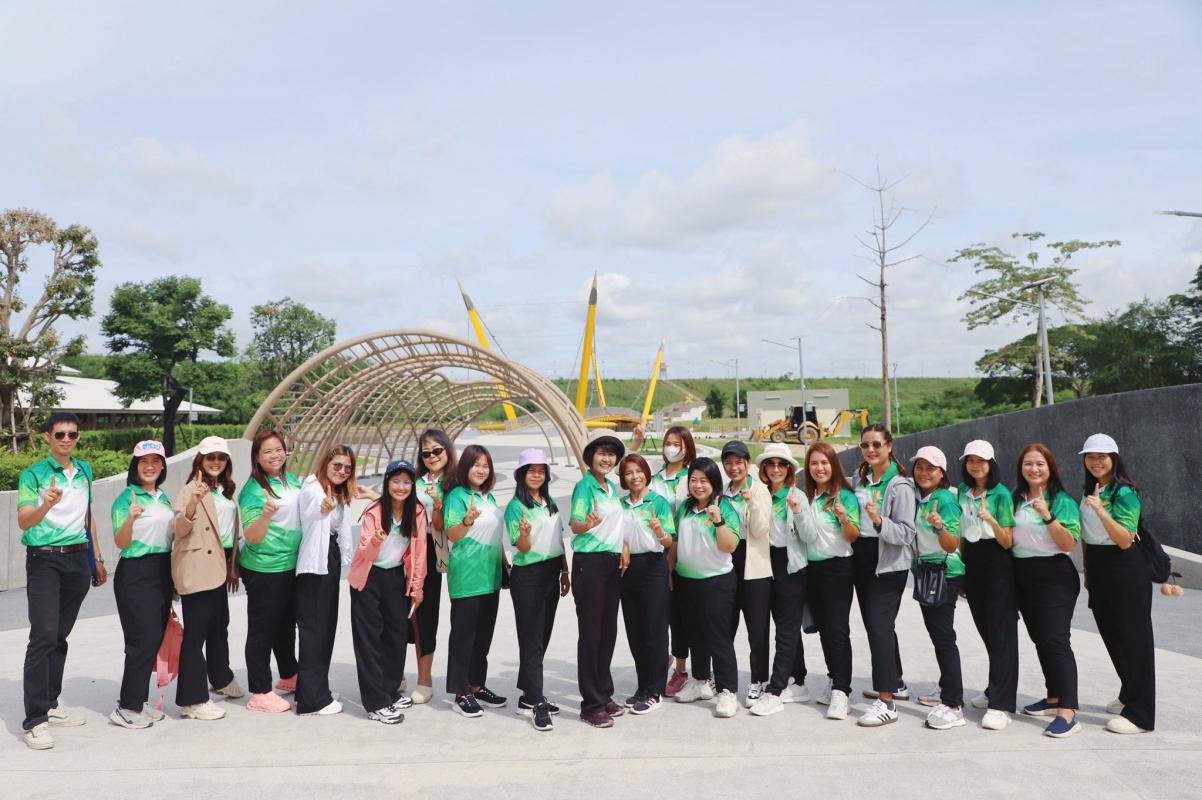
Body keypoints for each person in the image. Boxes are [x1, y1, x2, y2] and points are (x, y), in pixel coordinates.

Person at [17, 412, 107, 749]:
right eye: (60, 434)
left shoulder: (85, 470)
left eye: (72, 434)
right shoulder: (34, 475)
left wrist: (97, 558)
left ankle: (51, 704)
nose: (66, 439)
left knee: (59, 636)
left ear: (78, 437)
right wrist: (46, 504)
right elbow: (24, 521)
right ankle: (35, 720)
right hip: (44, 559)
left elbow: (87, 516)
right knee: (42, 637)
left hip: (77, 559)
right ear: (47, 437)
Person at [1079, 433, 1155, 734]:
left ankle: (1141, 714)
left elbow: (1125, 539)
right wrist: (1089, 574)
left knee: (1134, 639)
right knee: (1113, 635)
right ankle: (1129, 694)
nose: (1095, 461)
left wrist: (1101, 510)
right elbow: (1087, 537)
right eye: (1090, 456)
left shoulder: (1125, 492)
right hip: (1099, 567)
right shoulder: (1091, 489)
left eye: (1102, 456)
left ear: (1114, 458)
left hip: (1125, 567)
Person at [1011, 443, 1082, 738]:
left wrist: (1047, 516)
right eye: (1028, 463)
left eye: (1040, 464)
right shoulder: (1015, 497)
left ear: (1050, 467)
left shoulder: (1061, 500)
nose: (1034, 469)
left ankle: (1068, 711)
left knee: (1056, 640)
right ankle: (1053, 697)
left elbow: (1069, 544)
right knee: (1040, 639)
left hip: (1055, 575)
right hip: (1023, 574)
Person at [348, 460, 426, 724]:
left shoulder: (416, 512)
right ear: (387, 483)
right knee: (369, 641)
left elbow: (419, 553)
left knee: (396, 636)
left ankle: (390, 691)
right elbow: (366, 554)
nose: (401, 487)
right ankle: (375, 703)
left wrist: (417, 587)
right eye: (395, 481)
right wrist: (377, 539)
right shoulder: (374, 511)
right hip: (368, 579)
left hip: (395, 577)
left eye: (406, 482)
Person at [852, 424, 917, 727]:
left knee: (879, 628)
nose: (871, 450)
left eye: (877, 444)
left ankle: (887, 700)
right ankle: (897, 680)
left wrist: (879, 520)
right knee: (878, 626)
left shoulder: (900, 486)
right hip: (863, 560)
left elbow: (906, 533)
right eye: (865, 445)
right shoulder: (859, 479)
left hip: (888, 565)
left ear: (889, 446)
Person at [171, 437, 240, 723]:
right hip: (198, 566)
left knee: (218, 626)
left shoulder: (225, 489)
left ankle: (221, 678)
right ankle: (192, 700)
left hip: (220, 565)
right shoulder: (191, 489)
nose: (216, 462)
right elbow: (178, 528)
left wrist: (232, 567)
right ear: (199, 460)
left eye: (221, 458)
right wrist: (193, 503)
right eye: (210, 457)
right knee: (196, 634)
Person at [109, 441, 175, 730]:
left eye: (156, 461)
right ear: (135, 466)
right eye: (143, 461)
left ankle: (139, 699)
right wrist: (130, 519)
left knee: (154, 639)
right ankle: (127, 707)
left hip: (162, 571)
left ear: (162, 466)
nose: (150, 466)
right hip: (135, 573)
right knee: (141, 640)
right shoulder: (126, 499)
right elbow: (121, 542)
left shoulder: (164, 498)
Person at [238, 430, 303, 713]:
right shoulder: (252, 491)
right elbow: (252, 537)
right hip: (264, 568)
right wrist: (266, 514)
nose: (275, 455)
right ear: (257, 456)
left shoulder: (292, 480)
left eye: (279, 449)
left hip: (290, 564)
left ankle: (289, 674)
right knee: (262, 630)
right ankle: (260, 691)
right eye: (267, 451)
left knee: (286, 625)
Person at [505, 448, 570, 731]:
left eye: (541, 470)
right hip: (528, 576)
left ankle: (528, 695)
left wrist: (565, 571)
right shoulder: (515, 507)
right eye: (531, 470)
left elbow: (558, 539)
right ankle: (535, 701)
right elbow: (522, 547)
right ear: (521, 474)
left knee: (541, 636)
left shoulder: (549, 502)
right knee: (531, 639)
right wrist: (524, 533)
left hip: (551, 572)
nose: (536, 474)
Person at [671, 457, 742, 718]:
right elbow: (676, 542)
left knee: (719, 638)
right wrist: (669, 571)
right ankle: (700, 681)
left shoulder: (725, 507)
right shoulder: (685, 507)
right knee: (695, 635)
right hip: (686, 580)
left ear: (714, 482)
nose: (698, 485)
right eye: (694, 480)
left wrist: (718, 521)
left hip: (717, 582)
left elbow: (729, 546)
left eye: (704, 480)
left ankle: (727, 691)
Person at [748, 443, 813, 717]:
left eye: (782, 464)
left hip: (790, 564)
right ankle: (798, 680)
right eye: (771, 464)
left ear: (789, 469)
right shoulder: (760, 493)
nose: (776, 469)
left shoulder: (797, 496)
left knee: (785, 628)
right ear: (764, 468)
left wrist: (797, 512)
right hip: (765, 562)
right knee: (784, 624)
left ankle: (775, 690)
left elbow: (809, 536)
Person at [956, 440, 1017, 730]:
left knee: (1001, 634)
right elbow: (962, 533)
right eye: (970, 460)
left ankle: (1001, 704)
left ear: (991, 464)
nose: (976, 465)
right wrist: (961, 570)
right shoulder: (963, 492)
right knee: (987, 632)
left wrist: (991, 519)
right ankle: (995, 689)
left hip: (997, 562)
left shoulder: (1001, 494)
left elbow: (1007, 541)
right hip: (973, 560)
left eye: (981, 460)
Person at [443, 444, 507, 718]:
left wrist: (505, 566)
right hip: (467, 576)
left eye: (485, 465)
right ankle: (461, 691)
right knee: (464, 636)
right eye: (476, 464)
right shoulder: (457, 496)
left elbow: (496, 535)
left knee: (483, 635)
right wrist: (467, 521)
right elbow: (452, 534)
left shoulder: (488, 498)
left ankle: (476, 685)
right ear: (465, 467)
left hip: (490, 575)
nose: (481, 470)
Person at [569, 431, 628, 728]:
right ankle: (591, 705)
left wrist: (623, 546)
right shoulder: (585, 487)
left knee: (607, 632)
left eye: (611, 454)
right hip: (590, 563)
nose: (607, 458)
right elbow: (576, 523)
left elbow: (616, 525)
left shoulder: (609, 486)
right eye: (601, 453)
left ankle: (604, 694)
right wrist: (586, 524)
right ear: (591, 457)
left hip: (610, 562)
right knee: (591, 634)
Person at [294, 444, 356, 716]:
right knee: (314, 630)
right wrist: (322, 507)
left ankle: (316, 690)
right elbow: (310, 510)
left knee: (325, 628)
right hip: (314, 565)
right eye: (337, 465)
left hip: (328, 559)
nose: (342, 471)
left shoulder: (336, 492)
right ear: (325, 464)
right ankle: (312, 701)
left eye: (347, 468)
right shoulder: (313, 489)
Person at [801, 442, 860, 721]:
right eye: (814, 463)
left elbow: (852, 536)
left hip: (838, 569)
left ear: (833, 465)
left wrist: (844, 518)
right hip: (812, 570)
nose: (819, 468)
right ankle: (834, 678)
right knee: (823, 629)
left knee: (837, 630)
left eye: (824, 462)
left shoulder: (844, 496)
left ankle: (842, 691)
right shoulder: (808, 497)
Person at [909, 446, 966, 730]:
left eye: (930, 468)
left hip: (944, 573)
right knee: (938, 635)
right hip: (927, 571)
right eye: (919, 467)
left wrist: (941, 527)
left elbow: (952, 544)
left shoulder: (944, 499)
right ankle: (945, 688)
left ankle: (953, 705)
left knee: (944, 638)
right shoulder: (921, 497)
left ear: (942, 472)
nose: (924, 472)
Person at [617, 452, 674, 715]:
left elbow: (669, 541)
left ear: (646, 474)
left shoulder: (658, 502)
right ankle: (642, 687)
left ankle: (655, 691)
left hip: (652, 567)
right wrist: (624, 545)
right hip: (627, 569)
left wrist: (659, 530)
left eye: (639, 471)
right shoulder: (620, 504)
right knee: (635, 631)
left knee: (654, 631)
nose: (635, 477)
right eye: (629, 473)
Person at [640, 425, 695, 697]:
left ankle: (681, 670)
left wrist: (671, 565)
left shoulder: (692, 477)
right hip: (653, 550)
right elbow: (627, 472)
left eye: (677, 444)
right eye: (668, 443)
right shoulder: (655, 475)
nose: (671, 448)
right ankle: (662, 658)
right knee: (656, 613)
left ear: (687, 447)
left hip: (683, 550)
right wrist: (636, 441)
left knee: (680, 616)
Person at [719, 440, 772, 708]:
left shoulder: (759, 489)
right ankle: (723, 680)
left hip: (754, 567)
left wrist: (751, 502)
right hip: (727, 565)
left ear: (747, 463)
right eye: (728, 463)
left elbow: (761, 529)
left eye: (738, 462)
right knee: (725, 626)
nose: (733, 467)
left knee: (757, 629)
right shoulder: (722, 493)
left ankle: (758, 680)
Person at [411, 428, 456, 704]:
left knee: (463, 614)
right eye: (426, 453)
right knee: (419, 612)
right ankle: (419, 678)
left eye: (437, 450)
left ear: (447, 450)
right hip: (422, 548)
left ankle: (469, 681)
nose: (432, 456)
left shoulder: (459, 481)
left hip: (455, 548)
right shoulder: (416, 482)